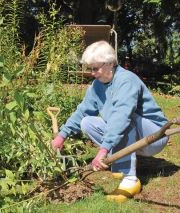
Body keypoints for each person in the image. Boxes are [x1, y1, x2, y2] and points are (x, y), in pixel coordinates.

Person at [51, 40, 168, 202]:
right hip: (135, 133)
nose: (92, 73)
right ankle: (121, 160)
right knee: (87, 122)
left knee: (125, 117)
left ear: (111, 63)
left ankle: (130, 178)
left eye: (96, 68)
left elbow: (121, 117)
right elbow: (83, 111)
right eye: (90, 68)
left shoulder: (126, 80)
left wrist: (103, 150)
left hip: (155, 135)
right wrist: (62, 135)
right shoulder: (97, 86)